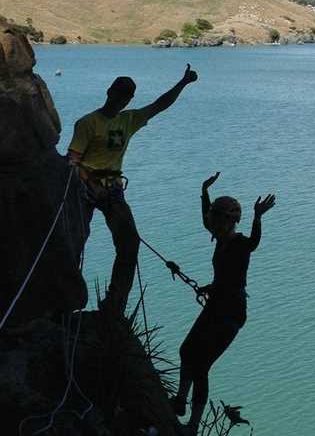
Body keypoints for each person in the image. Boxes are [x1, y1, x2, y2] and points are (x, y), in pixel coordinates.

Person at [67, 64, 198, 318]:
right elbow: (72, 160)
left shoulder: (129, 120)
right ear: (109, 92)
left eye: (126, 96)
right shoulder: (87, 123)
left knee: (129, 243)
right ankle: (65, 296)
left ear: (129, 99)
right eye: (119, 93)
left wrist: (183, 83)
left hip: (113, 189)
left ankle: (114, 305)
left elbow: (160, 105)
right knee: (75, 241)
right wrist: (90, 184)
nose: (122, 99)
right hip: (84, 188)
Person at [171, 172, 276, 435]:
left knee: (201, 365)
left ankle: (192, 426)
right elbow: (207, 217)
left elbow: (253, 243)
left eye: (218, 220)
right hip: (218, 306)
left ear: (228, 222)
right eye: (214, 220)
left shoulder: (239, 244)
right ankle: (180, 403)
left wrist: (258, 217)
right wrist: (203, 191)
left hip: (230, 313)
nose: (213, 224)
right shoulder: (220, 238)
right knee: (187, 352)